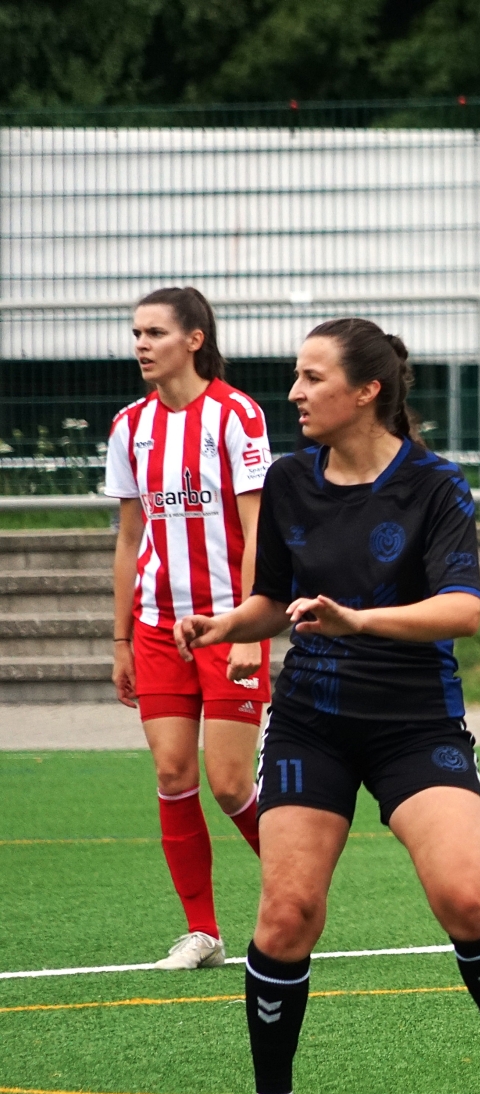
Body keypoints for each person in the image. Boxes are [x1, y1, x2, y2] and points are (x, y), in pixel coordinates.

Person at [173, 318, 480, 1094]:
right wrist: (226, 625)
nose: (295, 393)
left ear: (367, 391)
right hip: (310, 723)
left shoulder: (435, 485)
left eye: (313, 377)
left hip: (416, 722)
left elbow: (464, 610)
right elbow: (275, 598)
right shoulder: (288, 480)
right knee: (287, 912)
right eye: (297, 376)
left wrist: (358, 620)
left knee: (466, 898)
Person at [105, 287, 271, 971]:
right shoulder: (129, 426)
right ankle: (203, 932)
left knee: (229, 784)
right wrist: (120, 640)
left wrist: (251, 628)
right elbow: (128, 540)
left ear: (194, 339)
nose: (141, 345)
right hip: (155, 627)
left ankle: (296, 886)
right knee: (173, 774)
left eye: (155, 333)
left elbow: (260, 529)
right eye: (137, 333)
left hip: (228, 622)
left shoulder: (236, 415)